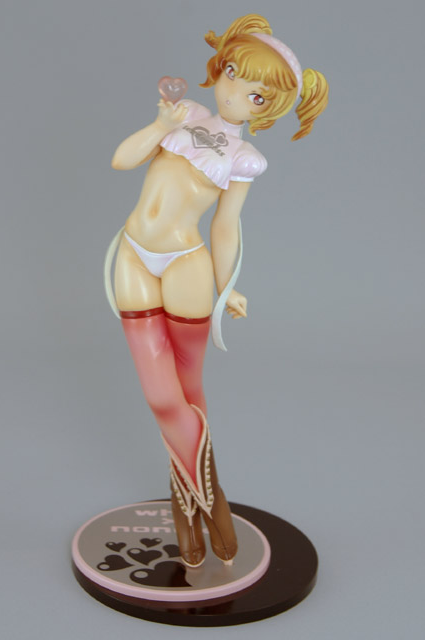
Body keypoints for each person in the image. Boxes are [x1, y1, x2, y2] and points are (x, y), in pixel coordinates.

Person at [105, 14, 328, 568]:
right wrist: (160, 124)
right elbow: (121, 160)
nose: (234, 92)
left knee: (186, 393)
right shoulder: (184, 115)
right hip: (132, 254)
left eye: (256, 95)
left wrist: (229, 288)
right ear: (220, 66)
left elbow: (226, 227)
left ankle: (188, 505)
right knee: (164, 398)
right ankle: (209, 495)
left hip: (187, 263)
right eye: (232, 73)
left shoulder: (244, 158)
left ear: (267, 111)